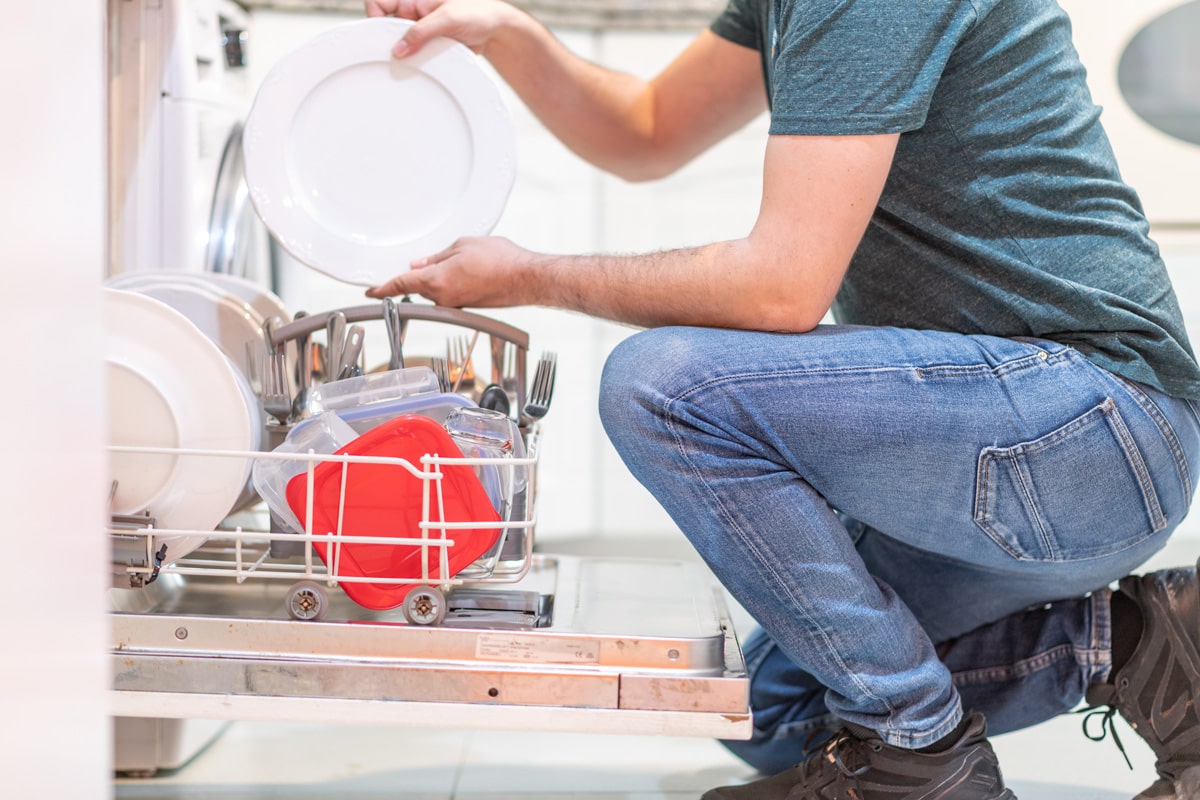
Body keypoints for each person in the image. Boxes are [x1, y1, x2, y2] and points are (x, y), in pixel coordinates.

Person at [362, 0, 1200, 797]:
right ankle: (1133, 646)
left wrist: (530, 275)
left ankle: (919, 757)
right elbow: (647, 131)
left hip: (1090, 426)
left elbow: (782, 288)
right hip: (1026, 450)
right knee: (771, 712)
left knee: (664, 385)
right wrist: (507, 31)